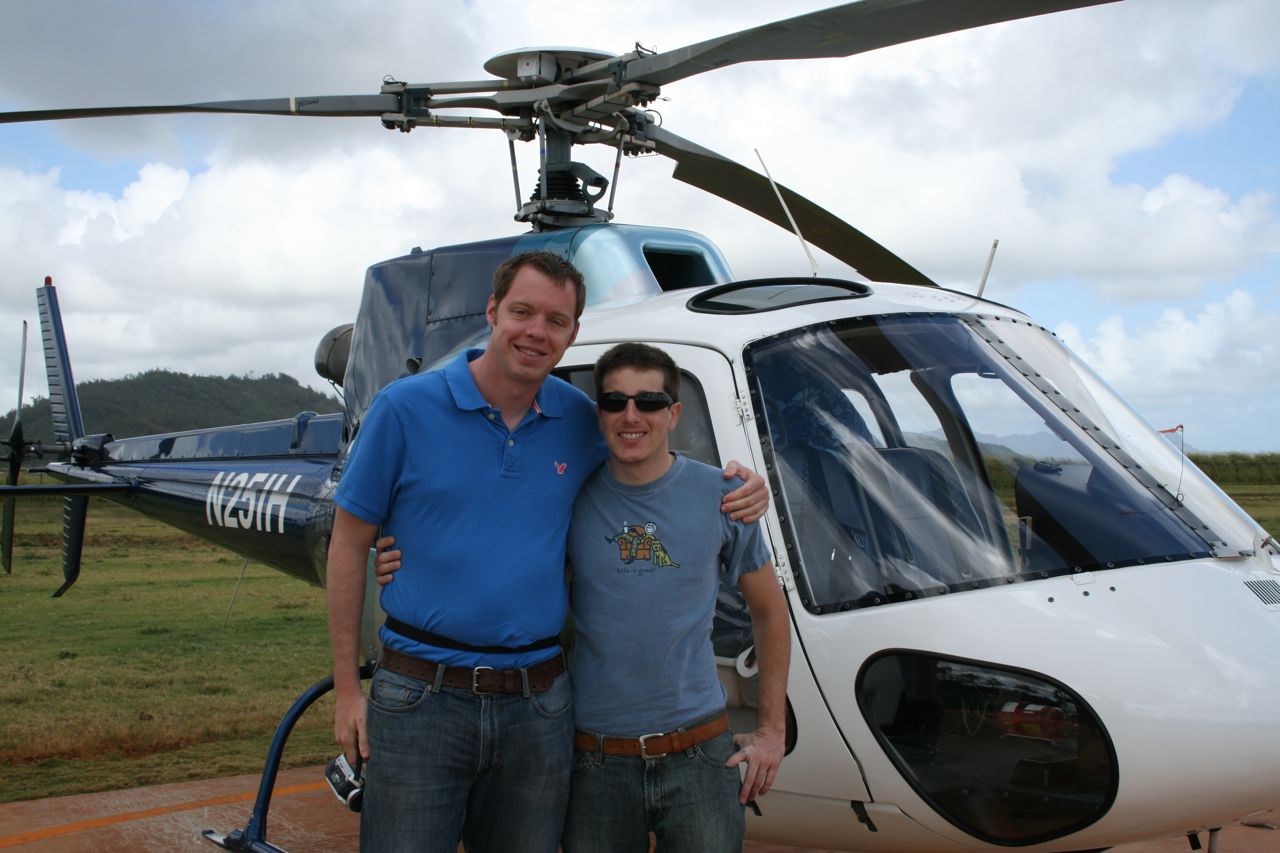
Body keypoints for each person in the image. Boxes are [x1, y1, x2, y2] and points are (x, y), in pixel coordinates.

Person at [326, 250, 767, 853]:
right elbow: (348, 544)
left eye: (556, 321)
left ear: (573, 334)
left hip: (537, 705)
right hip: (422, 695)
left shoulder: (582, 419)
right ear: (492, 312)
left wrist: (742, 483)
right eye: (522, 312)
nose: (537, 332)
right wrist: (348, 692)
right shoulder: (404, 408)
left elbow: (648, 458)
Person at [560, 343, 789, 852]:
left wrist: (773, 732)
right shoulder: (568, 500)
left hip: (699, 757)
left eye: (649, 401)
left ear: (674, 413)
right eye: (615, 401)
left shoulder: (724, 495)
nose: (631, 415)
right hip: (595, 762)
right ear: (600, 412)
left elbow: (771, 614)